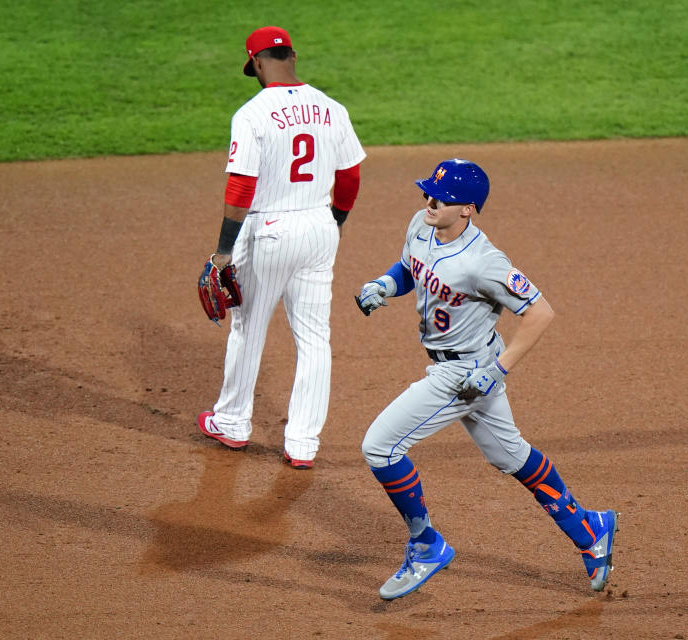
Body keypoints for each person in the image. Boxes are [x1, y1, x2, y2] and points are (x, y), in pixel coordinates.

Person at [356, 159, 618, 600]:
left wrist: (495, 372)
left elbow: (540, 312)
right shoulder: (421, 226)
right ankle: (589, 527)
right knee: (509, 454)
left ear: (469, 209)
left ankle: (426, 546)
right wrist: (383, 284)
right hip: (456, 364)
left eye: (440, 197)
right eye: (427, 192)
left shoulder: (484, 263)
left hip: (466, 372)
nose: (429, 201)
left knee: (379, 447)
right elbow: (409, 268)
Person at [198, 26, 366, 469]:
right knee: (314, 338)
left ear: (256, 63)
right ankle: (303, 444)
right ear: (292, 55)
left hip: (268, 229)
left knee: (248, 328)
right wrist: (338, 220)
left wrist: (221, 253)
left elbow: (241, 185)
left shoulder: (252, 113)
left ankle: (232, 423)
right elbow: (349, 175)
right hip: (318, 225)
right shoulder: (332, 107)